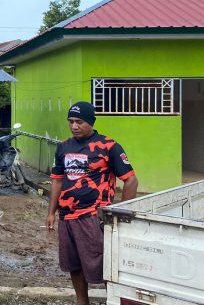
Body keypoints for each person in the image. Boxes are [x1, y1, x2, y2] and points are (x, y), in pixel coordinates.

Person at [46, 101, 138, 305]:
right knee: (73, 263)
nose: (74, 126)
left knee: (104, 263)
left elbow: (131, 180)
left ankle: (113, 301)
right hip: (67, 216)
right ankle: (82, 301)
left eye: (79, 122)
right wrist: (51, 212)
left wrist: (118, 213)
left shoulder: (109, 146)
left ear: (91, 122)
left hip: (93, 218)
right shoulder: (63, 146)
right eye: (70, 121)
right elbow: (57, 180)